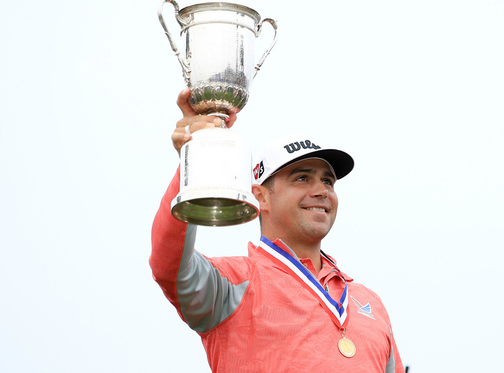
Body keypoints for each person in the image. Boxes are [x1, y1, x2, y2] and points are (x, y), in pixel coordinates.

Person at [150, 89, 404, 372]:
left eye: (328, 181)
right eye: (302, 178)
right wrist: (194, 157)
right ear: (261, 197)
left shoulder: (369, 301)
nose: (321, 191)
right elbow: (168, 265)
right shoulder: (232, 285)